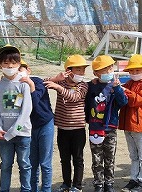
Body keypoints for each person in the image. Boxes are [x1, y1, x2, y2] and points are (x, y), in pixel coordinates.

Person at [44, 54, 89, 192]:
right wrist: (55, 79)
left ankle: (77, 185)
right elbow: (42, 83)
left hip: (78, 128)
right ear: (69, 71)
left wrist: (58, 88)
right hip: (63, 128)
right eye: (78, 70)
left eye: (83, 70)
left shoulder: (83, 85)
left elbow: (74, 97)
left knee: (78, 158)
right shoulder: (61, 82)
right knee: (64, 158)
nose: (81, 73)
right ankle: (66, 184)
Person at [0, 44, 33, 192]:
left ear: (19, 64)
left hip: (22, 133)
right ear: (0, 65)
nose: (10, 66)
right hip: (4, 135)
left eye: (13, 63)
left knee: (24, 164)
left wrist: (14, 131)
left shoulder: (23, 84)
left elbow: (26, 110)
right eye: (6, 63)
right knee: (6, 165)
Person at [85, 55, 128, 192]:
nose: (109, 71)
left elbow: (123, 102)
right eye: (104, 70)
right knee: (96, 158)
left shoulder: (115, 86)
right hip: (95, 127)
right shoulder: (91, 86)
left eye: (110, 68)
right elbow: (85, 103)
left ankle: (109, 183)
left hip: (110, 127)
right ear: (96, 73)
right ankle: (98, 183)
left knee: (110, 158)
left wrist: (117, 88)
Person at [118, 54, 142, 192]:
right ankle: (134, 179)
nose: (134, 73)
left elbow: (136, 100)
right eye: (132, 70)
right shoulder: (129, 83)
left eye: (137, 70)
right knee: (133, 155)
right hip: (128, 125)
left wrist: (124, 91)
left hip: (140, 125)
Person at [18, 59, 55, 192]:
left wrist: (31, 85)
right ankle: (33, 189)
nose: (19, 73)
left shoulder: (38, 82)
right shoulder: (17, 87)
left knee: (45, 162)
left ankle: (46, 189)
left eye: (21, 69)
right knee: (32, 162)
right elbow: (16, 107)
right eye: (16, 71)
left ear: (28, 70)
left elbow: (35, 101)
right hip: (29, 128)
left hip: (45, 124)